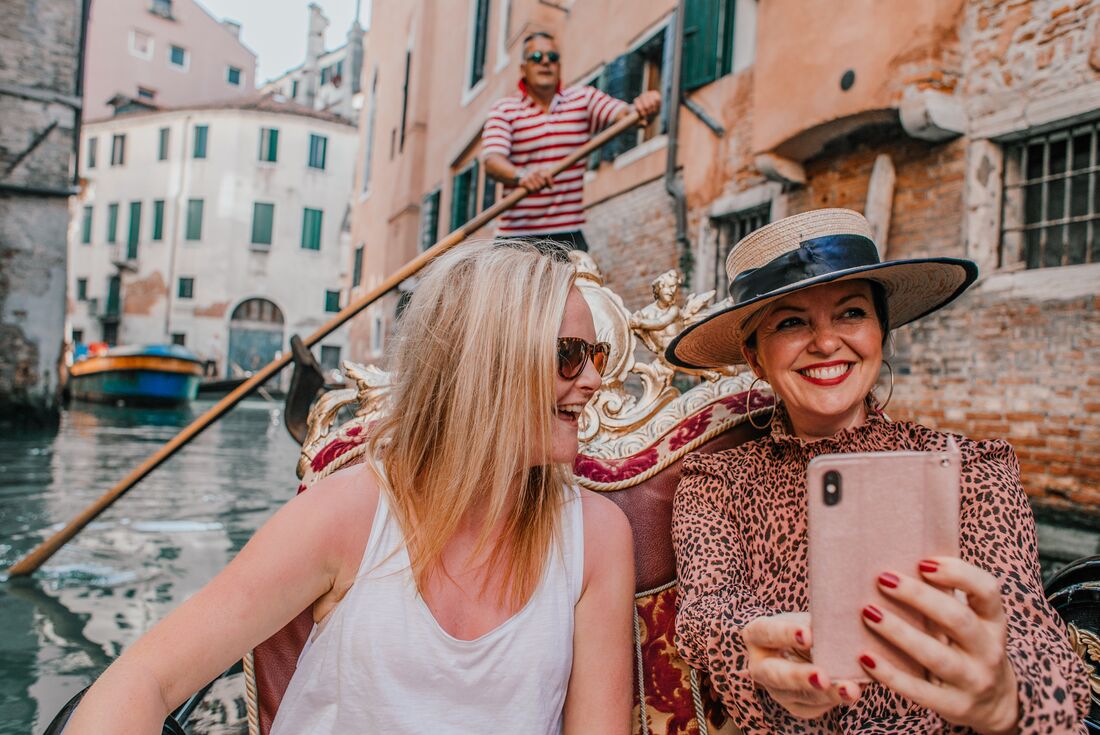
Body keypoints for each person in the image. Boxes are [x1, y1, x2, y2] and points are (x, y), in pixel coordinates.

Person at [66, 241, 635, 734]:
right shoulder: (346, 516)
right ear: (485, 366)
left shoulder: (597, 539)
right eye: (568, 355)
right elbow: (143, 678)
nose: (594, 379)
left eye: (596, 354)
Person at [664, 209, 1089, 734]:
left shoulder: (970, 471)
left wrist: (1006, 696)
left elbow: (1031, 636)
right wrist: (759, 646)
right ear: (755, 357)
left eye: (850, 314)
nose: (825, 343)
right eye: (791, 321)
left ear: (881, 332)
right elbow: (707, 614)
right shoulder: (715, 482)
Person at [482, 31, 661, 256]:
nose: (545, 62)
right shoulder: (505, 110)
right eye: (536, 57)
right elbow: (492, 161)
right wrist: (522, 176)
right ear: (523, 68)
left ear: (559, 66)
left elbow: (631, 117)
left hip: (567, 235)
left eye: (552, 57)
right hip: (515, 237)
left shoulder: (583, 100)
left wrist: (645, 106)